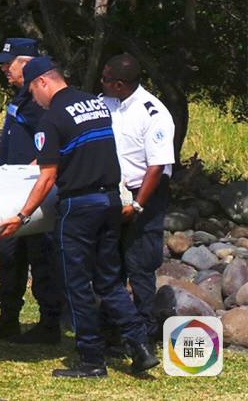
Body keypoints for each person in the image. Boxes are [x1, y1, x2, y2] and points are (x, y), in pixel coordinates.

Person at [0, 56, 158, 378]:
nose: (34, 100)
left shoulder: (52, 118)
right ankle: (140, 347)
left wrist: (22, 216)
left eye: (32, 91)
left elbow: (47, 178)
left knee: (76, 285)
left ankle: (91, 359)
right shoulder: (97, 105)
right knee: (109, 281)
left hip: (79, 208)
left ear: (42, 82)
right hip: (110, 202)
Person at [0, 38, 63, 344]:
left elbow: (51, 146)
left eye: (8, 64)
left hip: (33, 193)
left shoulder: (40, 101)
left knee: (41, 259)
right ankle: (8, 319)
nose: (3, 69)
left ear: (27, 63)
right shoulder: (22, 97)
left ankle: (49, 323)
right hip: (9, 193)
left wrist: (33, 172)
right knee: (10, 259)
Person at [101, 53, 175, 341]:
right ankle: (112, 327)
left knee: (140, 264)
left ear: (119, 84)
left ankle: (145, 329)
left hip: (144, 194)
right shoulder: (104, 103)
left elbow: (156, 166)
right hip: (111, 191)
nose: (101, 82)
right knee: (111, 262)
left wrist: (137, 204)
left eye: (105, 79)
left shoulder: (153, 113)